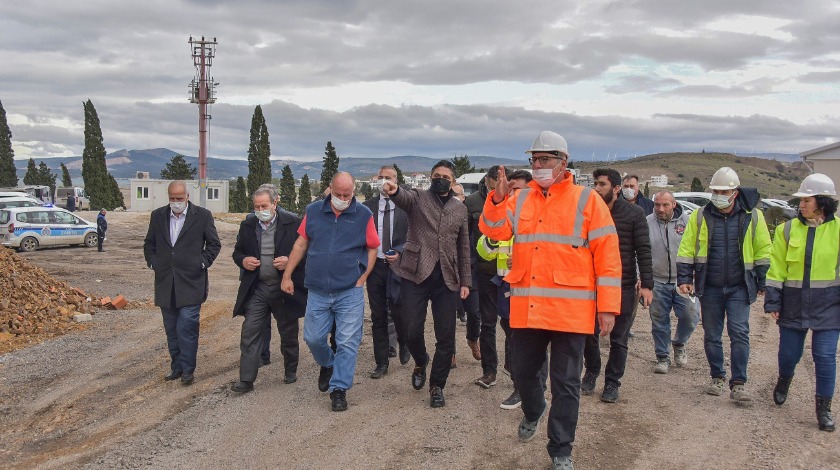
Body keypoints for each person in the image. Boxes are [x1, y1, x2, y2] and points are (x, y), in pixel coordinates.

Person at [480, 131, 621, 470]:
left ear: (563, 162)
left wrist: (608, 308)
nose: (538, 165)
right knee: (524, 373)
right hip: (528, 308)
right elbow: (493, 230)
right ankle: (533, 409)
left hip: (571, 312)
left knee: (566, 384)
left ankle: (561, 451)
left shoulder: (587, 201)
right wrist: (497, 200)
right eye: (534, 159)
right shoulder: (521, 198)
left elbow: (608, 257)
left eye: (545, 159)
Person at [281, 172, 378, 412]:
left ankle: (339, 389)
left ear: (353, 192)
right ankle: (327, 363)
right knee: (313, 338)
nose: (342, 198)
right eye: (338, 194)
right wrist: (287, 275)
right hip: (318, 290)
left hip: (349, 291)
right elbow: (301, 243)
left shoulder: (364, 214)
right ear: (329, 189)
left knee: (347, 341)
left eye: (347, 194)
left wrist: (364, 276)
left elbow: (373, 247)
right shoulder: (313, 211)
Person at [380, 160, 471, 409]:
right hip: (415, 273)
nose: (440, 179)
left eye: (445, 176)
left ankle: (437, 385)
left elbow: (463, 247)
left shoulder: (459, 209)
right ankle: (421, 361)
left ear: (453, 182)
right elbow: (403, 198)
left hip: (446, 279)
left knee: (446, 338)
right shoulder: (418, 197)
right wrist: (394, 190)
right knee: (410, 330)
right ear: (431, 178)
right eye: (436, 175)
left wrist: (466, 281)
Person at [677, 167, 771, 402]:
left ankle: (738, 383)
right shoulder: (700, 216)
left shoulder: (753, 216)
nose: (719, 195)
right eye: (716, 191)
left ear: (735, 192)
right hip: (710, 287)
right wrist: (685, 279)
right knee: (712, 335)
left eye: (723, 191)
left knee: (739, 333)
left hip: (739, 287)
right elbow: (687, 249)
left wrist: (763, 280)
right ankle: (717, 377)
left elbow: (763, 250)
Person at [765, 173, 840, 431]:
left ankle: (824, 410)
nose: (801, 205)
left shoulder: (839, 230)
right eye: (801, 200)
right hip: (793, 305)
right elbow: (776, 269)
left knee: (825, 356)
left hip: (829, 307)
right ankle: (785, 378)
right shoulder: (787, 229)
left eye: (806, 200)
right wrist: (773, 301)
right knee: (788, 354)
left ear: (822, 201)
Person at [583, 169, 653, 403]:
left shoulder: (634, 214)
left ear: (615, 189)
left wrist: (647, 285)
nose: (596, 188)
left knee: (619, 338)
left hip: (623, 285)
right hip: (590, 285)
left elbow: (643, 249)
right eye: (594, 183)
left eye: (601, 184)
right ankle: (592, 370)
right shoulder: (588, 213)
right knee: (588, 334)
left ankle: (612, 382)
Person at [230, 184, 308, 393]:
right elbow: (237, 252)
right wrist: (243, 260)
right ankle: (246, 379)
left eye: (264, 205)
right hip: (258, 288)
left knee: (288, 332)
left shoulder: (292, 223)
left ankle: (290, 370)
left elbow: (307, 252)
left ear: (275, 203)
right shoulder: (248, 225)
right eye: (256, 206)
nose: (260, 210)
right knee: (250, 331)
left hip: (284, 288)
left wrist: (291, 261)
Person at [143, 180, 221, 385]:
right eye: (172, 199)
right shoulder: (158, 216)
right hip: (166, 283)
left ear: (187, 196)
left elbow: (214, 244)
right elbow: (149, 243)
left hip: (191, 282)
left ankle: (188, 370)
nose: (176, 202)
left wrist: (202, 263)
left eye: (179, 198)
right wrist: (153, 263)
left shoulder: (202, 216)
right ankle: (176, 367)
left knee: (186, 326)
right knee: (171, 328)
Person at [476, 169, 543, 409]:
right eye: (513, 190)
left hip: (533, 288)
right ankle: (519, 383)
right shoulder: (503, 216)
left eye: (522, 191)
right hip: (506, 286)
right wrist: (494, 240)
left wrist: (526, 260)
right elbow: (483, 249)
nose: (517, 196)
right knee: (511, 336)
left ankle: (529, 388)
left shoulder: (539, 219)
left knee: (531, 339)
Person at [465, 166, 511, 388]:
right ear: (488, 182)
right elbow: (466, 236)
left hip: (512, 275)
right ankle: (489, 371)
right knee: (488, 324)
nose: (498, 190)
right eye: (494, 187)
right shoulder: (473, 202)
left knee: (512, 326)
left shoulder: (517, 201)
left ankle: (514, 370)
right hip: (484, 271)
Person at [363, 166, 411, 378]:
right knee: (378, 315)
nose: (384, 181)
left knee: (400, 311)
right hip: (376, 268)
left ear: (396, 181)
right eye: (381, 177)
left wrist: (400, 251)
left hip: (399, 267)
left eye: (388, 177)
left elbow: (415, 235)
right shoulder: (367, 208)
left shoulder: (407, 207)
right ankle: (381, 362)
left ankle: (404, 342)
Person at [646, 190, 698, 374]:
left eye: (665, 205)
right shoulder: (647, 223)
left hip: (682, 281)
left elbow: (697, 250)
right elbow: (640, 253)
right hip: (657, 280)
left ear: (674, 204)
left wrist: (694, 276)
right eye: (657, 205)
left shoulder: (688, 223)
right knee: (659, 321)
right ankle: (662, 357)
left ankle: (680, 342)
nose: (660, 209)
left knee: (690, 317)